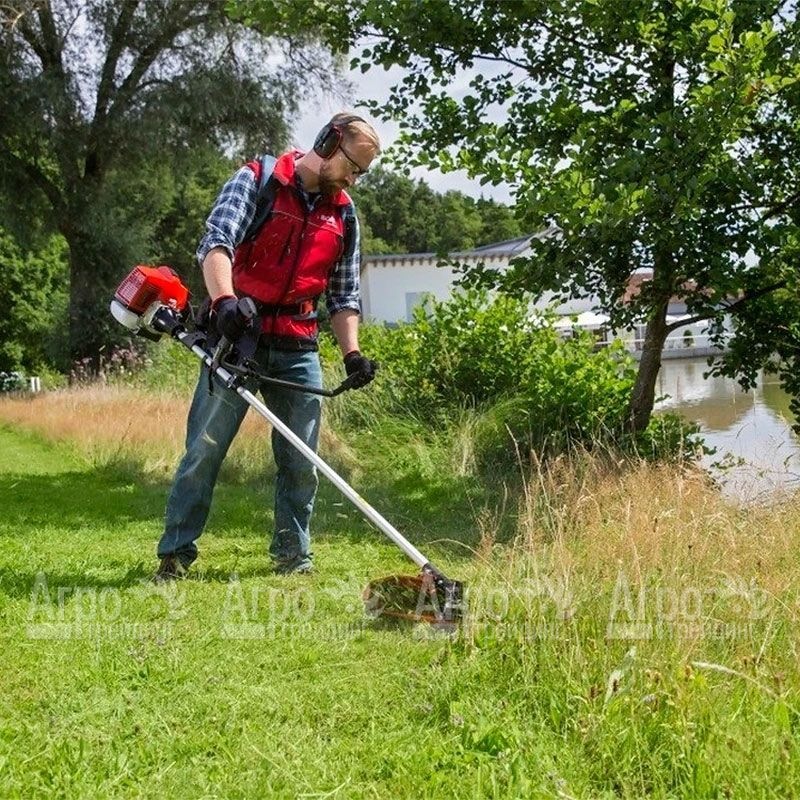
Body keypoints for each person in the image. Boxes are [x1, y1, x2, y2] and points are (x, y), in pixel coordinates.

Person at [155, 113, 381, 579]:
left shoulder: (344, 215)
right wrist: (225, 302)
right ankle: (175, 554)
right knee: (205, 449)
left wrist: (352, 354)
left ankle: (293, 556)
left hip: (299, 345)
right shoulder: (258, 180)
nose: (354, 180)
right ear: (329, 142)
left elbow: (344, 295)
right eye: (353, 167)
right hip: (239, 336)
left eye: (362, 173)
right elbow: (216, 244)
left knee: (302, 460)